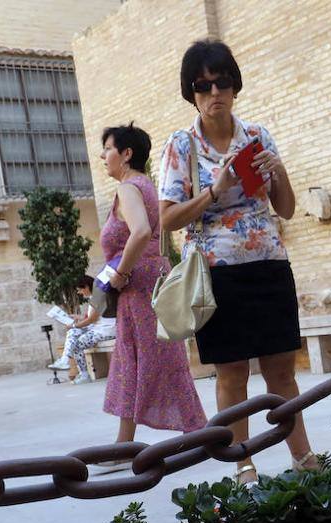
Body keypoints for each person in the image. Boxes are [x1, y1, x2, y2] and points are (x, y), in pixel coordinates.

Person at [158, 40, 315, 484]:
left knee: (282, 370)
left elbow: (284, 209)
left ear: (234, 84)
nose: (214, 92)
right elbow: (167, 219)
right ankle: (243, 464)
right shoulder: (181, 145)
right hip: (215, 273)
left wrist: (279, 170)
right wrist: (213, 189)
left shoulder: (258, 136)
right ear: (191, 93)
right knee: (231, 374)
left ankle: (304, 459)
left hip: (268, 263)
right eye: (202, 85)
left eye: (221, 81)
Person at [96, 122, 206, 468]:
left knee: (148, 360)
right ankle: (128, 444)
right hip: (149, 282)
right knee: (147, 359)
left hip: (138, 285)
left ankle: (193, 431)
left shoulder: (130, 188)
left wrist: (121, 272)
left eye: (108, 148)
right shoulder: (146, 186)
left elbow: (141, 231)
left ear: (126, 154)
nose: (103, 156)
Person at [48, 275, 116, 383]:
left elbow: (92, 319)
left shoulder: (98, 297)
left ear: (86, 287)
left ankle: (83, 374)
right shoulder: (94, 297)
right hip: (97, 328)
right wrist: (77, 318)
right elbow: (93, 317)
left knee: (78, 341)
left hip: (106, 330)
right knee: (73, 332)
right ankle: (66, 360)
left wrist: (74, 325)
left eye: (79, 290)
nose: (79, 293)